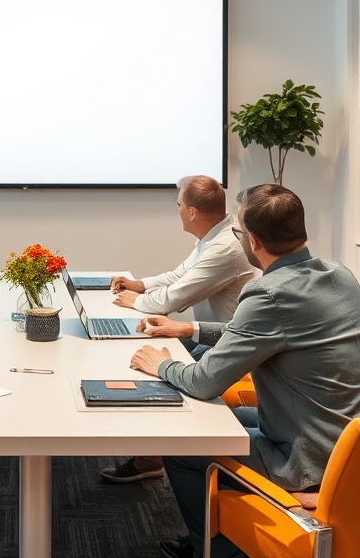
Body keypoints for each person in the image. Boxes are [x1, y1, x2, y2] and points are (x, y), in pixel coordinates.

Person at [129, 184, 360, 558]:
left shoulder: (268, 293)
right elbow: (269, 331)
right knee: (226, 418)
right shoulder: (338, 274)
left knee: (183, 446)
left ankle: (214, 549)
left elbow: (204, 382)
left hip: (313, 455)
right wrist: (190, 329)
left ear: (252, 240)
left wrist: (160, 363)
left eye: (236, 233)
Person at [100, 175, 256, 484]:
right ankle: (153, 452)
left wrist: (138, 301)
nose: (177, 209)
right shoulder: (214, 237)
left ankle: (155, 455)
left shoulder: (224, 247)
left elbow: (175, 296)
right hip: (212, 333)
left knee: (160, 365)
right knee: (157, 351)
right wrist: (140, 285)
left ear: (193, 212)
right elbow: (179, 275)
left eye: (179, 204)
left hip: (231, 343)